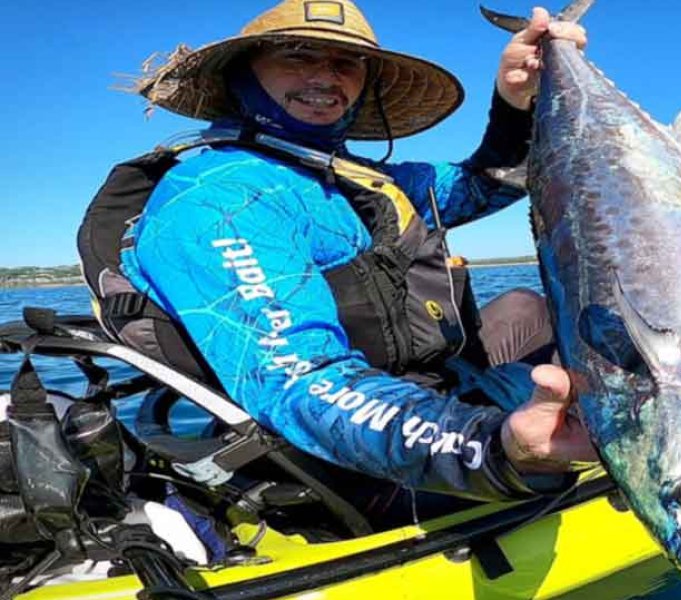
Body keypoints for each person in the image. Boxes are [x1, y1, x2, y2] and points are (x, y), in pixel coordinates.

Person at [113, 0, 595, 506]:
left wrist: (516, 101)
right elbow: (300, 384)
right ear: (241, 75)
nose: (325, 76)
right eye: (296, 56)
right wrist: (494, 449)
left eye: (345, 63)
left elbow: (489, 183)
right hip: (362, 459)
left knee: (525, 307)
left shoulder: (359, 180)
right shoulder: (222, 199)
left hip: (433, 383)